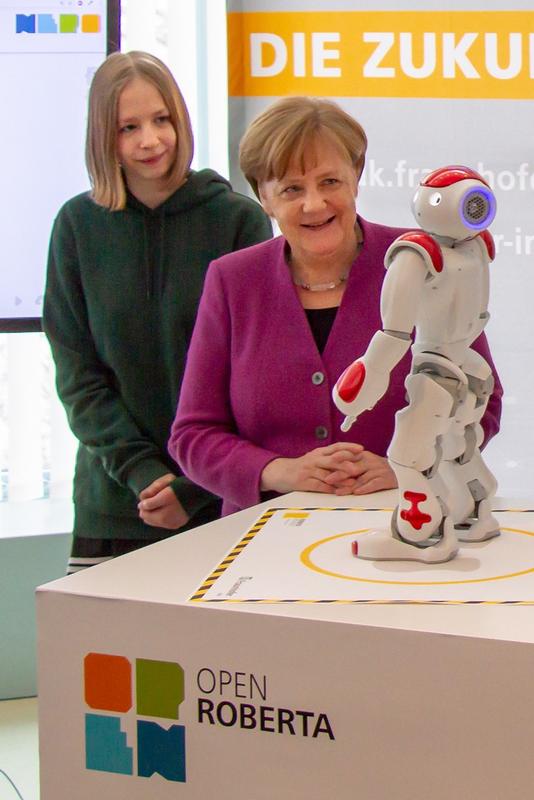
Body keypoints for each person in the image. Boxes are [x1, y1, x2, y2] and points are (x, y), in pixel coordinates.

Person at [168, 96, 502, 517]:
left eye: (330, 182)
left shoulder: (425, 261)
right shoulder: (232, 281)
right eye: (292, 189)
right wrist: (279, 471)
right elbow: (193, 434)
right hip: (263, 541)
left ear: (356, 179)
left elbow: (481, 399)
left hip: (405, 524)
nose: (314, 204)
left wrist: (409, 467)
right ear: (264, 198)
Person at [43, 51, 272, 572]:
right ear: (104, 137)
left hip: (221, 504)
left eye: (161, 119)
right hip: (116, 507)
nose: (150, 140)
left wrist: (193, 487)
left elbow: (253, 376)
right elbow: (78, 375)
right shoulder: (77, 226)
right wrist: (143, 473)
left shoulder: (238, 221)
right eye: (129, 127)